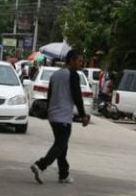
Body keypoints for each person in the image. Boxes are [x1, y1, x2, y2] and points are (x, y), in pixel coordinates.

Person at [30, 49, 90, 184]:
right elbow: (77, 96)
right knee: (60, 145)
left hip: (53, 116)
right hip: (63, 117)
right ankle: (40, 165)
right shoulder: (73, 75)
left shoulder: (55, 75)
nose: (81, 63)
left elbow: (50, 95)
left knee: (62, 146)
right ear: (72, 60)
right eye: (79, 60)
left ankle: (63, 174)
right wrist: (83, 115)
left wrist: (51, 111)